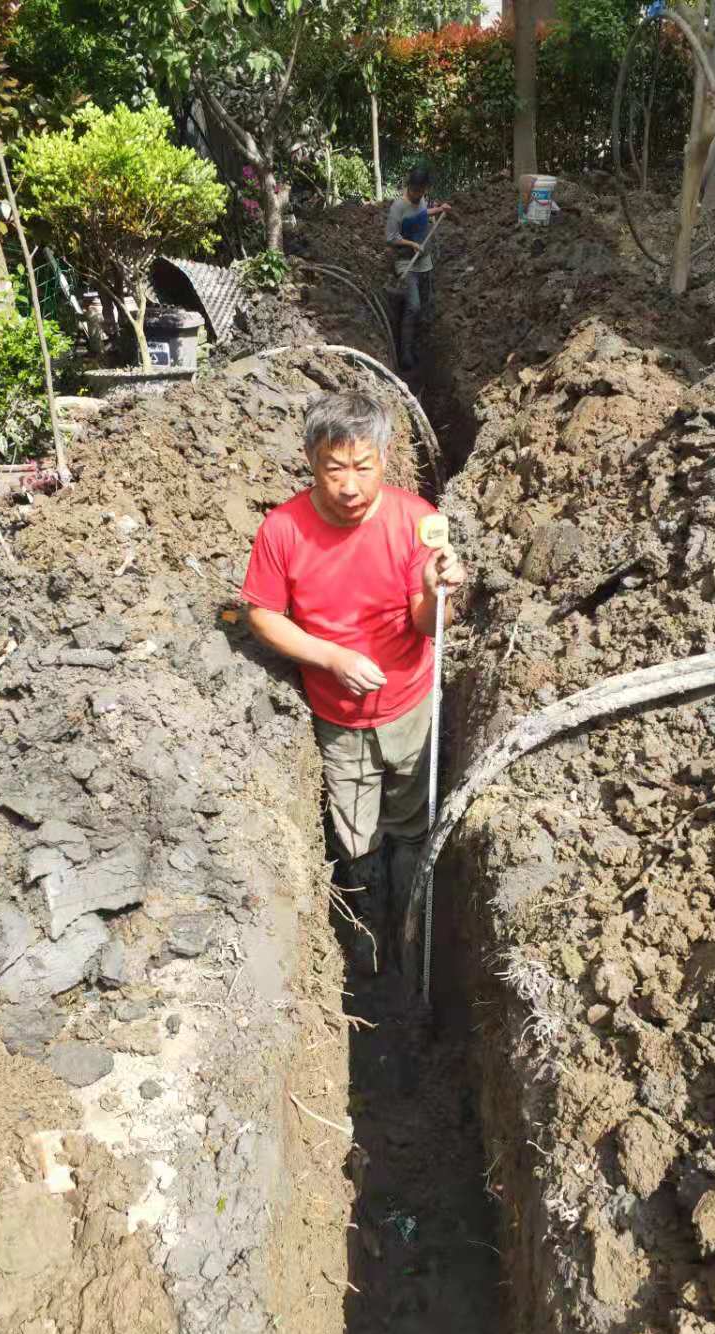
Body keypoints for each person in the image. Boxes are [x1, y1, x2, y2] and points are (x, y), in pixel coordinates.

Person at [241, 391, 465, 974]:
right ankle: (367, 940)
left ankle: (411, 925)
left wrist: (439, 592)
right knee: (356, 834)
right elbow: (262, 615)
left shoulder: (414, 520)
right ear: (310, 461)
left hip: (411, 706)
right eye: (334, 469)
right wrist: (331, 658)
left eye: (363, 468)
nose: (349, 486)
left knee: (412, 823)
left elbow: (428, 624)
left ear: (385, 459)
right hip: (339, 718)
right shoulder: (283, 530)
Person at [386, 165, 452, 371]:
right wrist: (412, 244)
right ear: (410, 187)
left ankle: (420, 350)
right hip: (406, 263)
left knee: (425, 306)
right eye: (416, 191)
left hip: (424, 263)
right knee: (413, 306)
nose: (419, 195)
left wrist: (439, 210)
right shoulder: (398, 207)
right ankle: (405, 354)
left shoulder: (420, 201)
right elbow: (391, 238)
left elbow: (422, 214)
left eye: (422, 191)